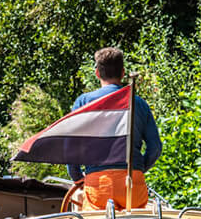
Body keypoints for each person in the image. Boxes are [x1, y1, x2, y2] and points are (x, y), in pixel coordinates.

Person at [68, 46, 162, 209]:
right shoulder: (139, 103)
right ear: (123, 72)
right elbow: (155, 148)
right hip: (132, 184)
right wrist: (138, 168)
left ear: (97, 73)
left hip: (98, 187)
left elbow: (70, 148)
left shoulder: (83, 102)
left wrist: (77, 178)